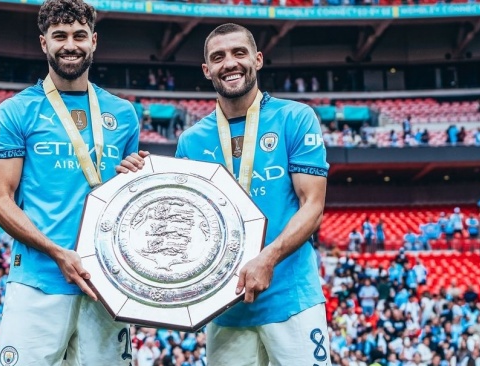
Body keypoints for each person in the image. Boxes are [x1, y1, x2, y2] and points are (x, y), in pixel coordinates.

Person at [119, 23, 331, 365]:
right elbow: (183, 223)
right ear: (207, 70)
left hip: (291, 300)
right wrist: (139, 177)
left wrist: (267, 258)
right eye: (218, 57)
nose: (229, 63)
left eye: (239, 53)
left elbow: (312, 205)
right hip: (224, 310)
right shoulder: (192, 140)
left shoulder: (295, 118)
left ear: (258, 60)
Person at [0, 0, 143, 365]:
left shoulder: (123, 113)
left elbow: (128, 196)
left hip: (107, 285)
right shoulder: (15, 111)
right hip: (38, 280)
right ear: (44, 43)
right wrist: (58, 253)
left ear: (94, 41)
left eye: (79, 35)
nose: (70, 44)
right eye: (59, 36)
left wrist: (138, 174)